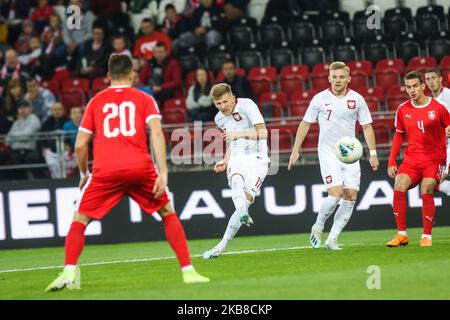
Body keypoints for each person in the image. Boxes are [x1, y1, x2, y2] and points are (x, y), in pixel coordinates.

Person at [45, 54, 209, 292]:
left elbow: (80, 145)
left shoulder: (95, 102)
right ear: (133, 74)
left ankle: (69, 271)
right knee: (167, 213)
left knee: (79, 220)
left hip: (105, 171)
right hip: (140, 168)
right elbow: (156, 134)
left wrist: (83, 173)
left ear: (108, 76)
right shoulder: (145, 98)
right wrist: (163, 172)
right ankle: (188, 271)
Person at [288, 61, 379, 250]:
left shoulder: (358, 99)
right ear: (329, 78)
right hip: (328, 151)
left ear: (348, 78)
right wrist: (295, 149)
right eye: (334, 77)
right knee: (336, 193)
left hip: (350, 153)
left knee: (351, 196)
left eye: (341, 77)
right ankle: (319, 225)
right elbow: (305, 124)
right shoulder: (319, 99)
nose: (338, 80)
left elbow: (367, 126)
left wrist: (374, 153)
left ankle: (333, 239)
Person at [202, 83, 269, 259]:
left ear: (233, 98)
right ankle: (222, 245)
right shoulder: (219, 119)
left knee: (245, 200)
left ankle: (240, 213)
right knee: (236, 180)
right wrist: (225, 159)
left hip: (258, 159)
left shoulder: (247, 105)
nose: (223, 107)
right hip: (237, 157)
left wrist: (238, 135)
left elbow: (263, 133)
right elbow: (231, 142)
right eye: (218, 104)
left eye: (225, 102)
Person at [387, 71, 450, 248]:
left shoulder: (439, 107)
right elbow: (399, 136)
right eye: (408, 87)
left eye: (415, 86)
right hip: (412, 159)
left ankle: (426, 236)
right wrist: (392, 160)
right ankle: (401, 234)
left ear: (423, 86)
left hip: (434, 159)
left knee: (426, 187)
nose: (412, 90)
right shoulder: (402, 109)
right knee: (399, 183)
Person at [424, 68, 450, 196]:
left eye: (433, 78)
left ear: (440, 79)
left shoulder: (448, 95)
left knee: (432, 182)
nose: (431, 82)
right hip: (442, 148)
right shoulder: (431, 102)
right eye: (428, 79)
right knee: (429, 183)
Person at [5, 99, 42, 179]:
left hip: (30, 150)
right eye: (20, 108)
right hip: (16, 151)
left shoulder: (34, 120)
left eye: (25, 107)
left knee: (29, 159)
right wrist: (19, 136)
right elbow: (7, 141)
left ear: (30, 109)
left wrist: (14, 137)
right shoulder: (16, 123)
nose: (22, 110)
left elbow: (25, 136)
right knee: (11, 159)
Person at [139, 41, 182, 108]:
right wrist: (147, 87)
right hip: (151, 89)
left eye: (161, 52)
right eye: (157, 52)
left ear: (166, 52)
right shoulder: (150, 63)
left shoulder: (173, 63)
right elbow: (141, 79)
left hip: (167, 90)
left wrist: (161, 87)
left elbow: (177, 82)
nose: (159, 54)